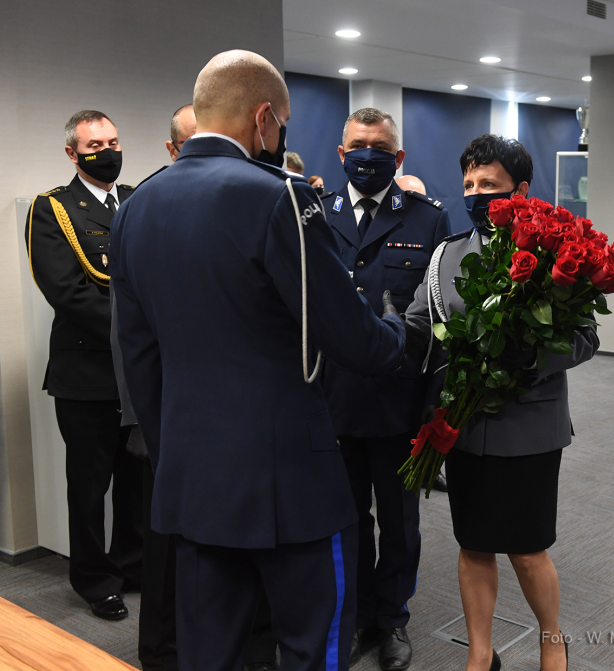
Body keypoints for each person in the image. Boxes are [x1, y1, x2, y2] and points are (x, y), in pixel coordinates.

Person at [111, 50, 407, 671]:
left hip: (193, 479)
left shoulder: (138, 204)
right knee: (311, 645)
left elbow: (137, 356)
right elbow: (352, 339)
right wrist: (401, 332)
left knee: (208, 651)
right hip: (292, 481)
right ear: (264, 118)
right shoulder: (282, 199)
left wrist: (176, 455)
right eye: (284, 124)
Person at [406, 134, 598, 671]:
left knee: (527, 548)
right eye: (468, 184)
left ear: (522, 190)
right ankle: (481, 652)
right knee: (473, 544)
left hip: (529, 429)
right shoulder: (447, 254)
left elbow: (585, 337)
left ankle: (552, 637)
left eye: (489, 184)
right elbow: (420, 324)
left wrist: (530, 356)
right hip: (463, 427)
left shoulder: (549, 253)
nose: (475, 194)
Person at [117, 105, 279, 671]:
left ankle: (250, 650)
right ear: (172, 149)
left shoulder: (248, 200)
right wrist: (155, 430)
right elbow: (131, 337)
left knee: (236, 561)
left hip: (225, 425)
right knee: (174, 560)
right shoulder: (145, 207)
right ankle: (161, 655)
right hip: (170, 418)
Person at [319, 108, 449, 671]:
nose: (366, 154)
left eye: (379, 146)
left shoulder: (428, 220)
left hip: (400, 401)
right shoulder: (315, 216)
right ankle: (353, 619)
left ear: (397, 158)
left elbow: (441, 321)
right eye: (357, 145)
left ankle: (392, 619)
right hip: (333, 401)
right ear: (340, 153)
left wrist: (435, 405)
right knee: (344, 520)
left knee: (399, 523)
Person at [25, 110, 143, 622]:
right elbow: (67, 292)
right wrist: (140, 334)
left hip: (137, 375)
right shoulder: (52, 209)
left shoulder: (139, 200)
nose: (108, 150)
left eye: (114, 140)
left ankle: (133, 565)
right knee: (90, 486)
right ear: (73, 153)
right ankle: (95, 579)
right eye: (96, 144)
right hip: (88, 374)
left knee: (138, 479)